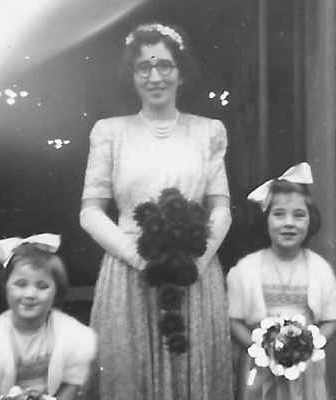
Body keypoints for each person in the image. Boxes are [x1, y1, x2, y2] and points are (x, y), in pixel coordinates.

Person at [79, 22, 234, 400]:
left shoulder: (208, 131)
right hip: (129, 273)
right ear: (132, 75)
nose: (155, 77)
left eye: (165, 65)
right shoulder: (110, 132)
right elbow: (90, 211)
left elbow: (221, 207)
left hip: (193, 273)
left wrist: (195, 263)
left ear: (181, 73)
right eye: (143, 68)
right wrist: (138, 258)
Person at [226, 162, 336, 400]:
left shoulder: (319, 269)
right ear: (266, 221)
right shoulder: (246, 270)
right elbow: (234, 320)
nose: (289, 223)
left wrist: (307, 347)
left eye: (299, 215)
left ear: (311, 221)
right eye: (279, 215)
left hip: (305, 368)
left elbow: (330, 319)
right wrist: (262, 350)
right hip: (260, 366)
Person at [0, 234, 96, 400]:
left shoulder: (74, 336)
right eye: (20, 284)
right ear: (5, 286)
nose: (30, 294)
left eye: (42, 286)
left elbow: (73, 383)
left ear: (57, 291)